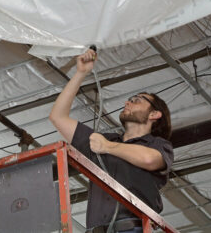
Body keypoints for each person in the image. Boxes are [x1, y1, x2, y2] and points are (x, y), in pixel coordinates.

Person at [49, 48, 173, 233]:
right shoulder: (104, 141)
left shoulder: (158, 144)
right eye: (129, 100)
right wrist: (81, 73)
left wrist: (108, 147)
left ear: (154, 114)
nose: (127, 103)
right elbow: (58, 117)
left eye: (137, 100)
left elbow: (149, 159)